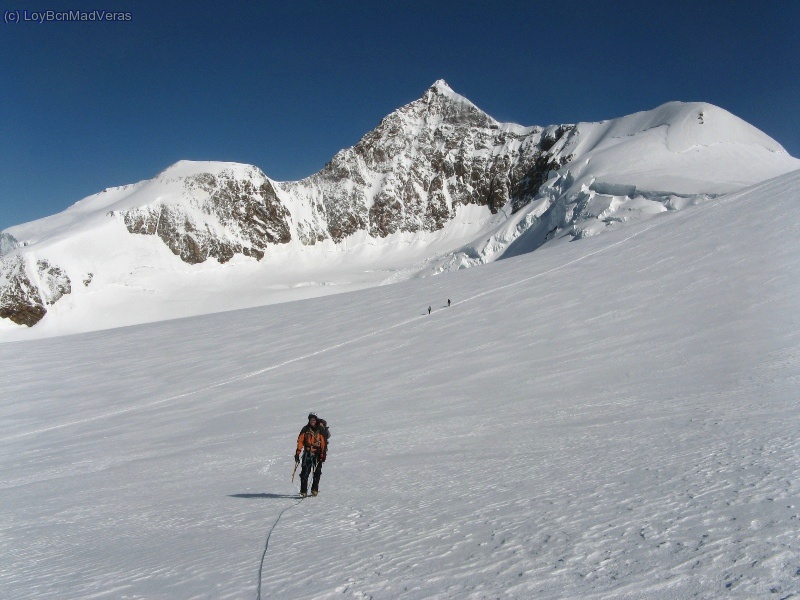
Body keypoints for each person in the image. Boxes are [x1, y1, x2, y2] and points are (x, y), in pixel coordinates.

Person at [295, 413, 327, 497]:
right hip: (307, 453)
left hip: (318, 453)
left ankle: (314, 490)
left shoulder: (320, 430)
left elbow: (323, 443)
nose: (312, 422)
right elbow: (300, 441)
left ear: (316, 421)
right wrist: (298, 453)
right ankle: (303, 491)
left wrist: (323, 455)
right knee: (305, 472)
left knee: (317, 472)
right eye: (311, 420)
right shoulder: (305, 429)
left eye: (314, 420)